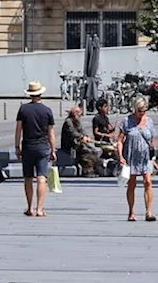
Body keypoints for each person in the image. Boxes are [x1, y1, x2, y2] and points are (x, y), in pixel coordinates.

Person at [14, 80, 56, 217]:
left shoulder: (23, 109)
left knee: (27, 178)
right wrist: (53, 149)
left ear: (30, 94)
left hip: (27, 146)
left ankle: (29, 207)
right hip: (43, 147)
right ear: (41, 94)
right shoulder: (47, 111)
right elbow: (51, 133)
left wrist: (17, 147)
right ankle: (39, 208)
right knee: (41, 177)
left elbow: (18, 130)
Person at [116, 96, 156, 222]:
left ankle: (149, 212)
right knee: (131, 184)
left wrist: (153, 159)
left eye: (144, 110)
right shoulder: (127, 121)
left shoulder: (149, 121)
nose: (142, 113)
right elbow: (120, 141)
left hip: (145, 158)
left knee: (148, 182)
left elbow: (152, 141)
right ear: (134, 109)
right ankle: (131, 212)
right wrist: (121, 156)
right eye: (139, 110)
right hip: (131, 156)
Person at [60, 105, 101, 176]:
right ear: (75, 113)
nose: (80, 115)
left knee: (92, 151)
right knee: (86, 153)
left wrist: (86, 136)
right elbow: (72, 132)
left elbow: (82, 130)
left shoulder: (77, 121)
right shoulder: (68, 122)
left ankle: (94, 170)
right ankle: (88, 171)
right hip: (70, 145)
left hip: (78, 143)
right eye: (79, 113)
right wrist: (82, 137)